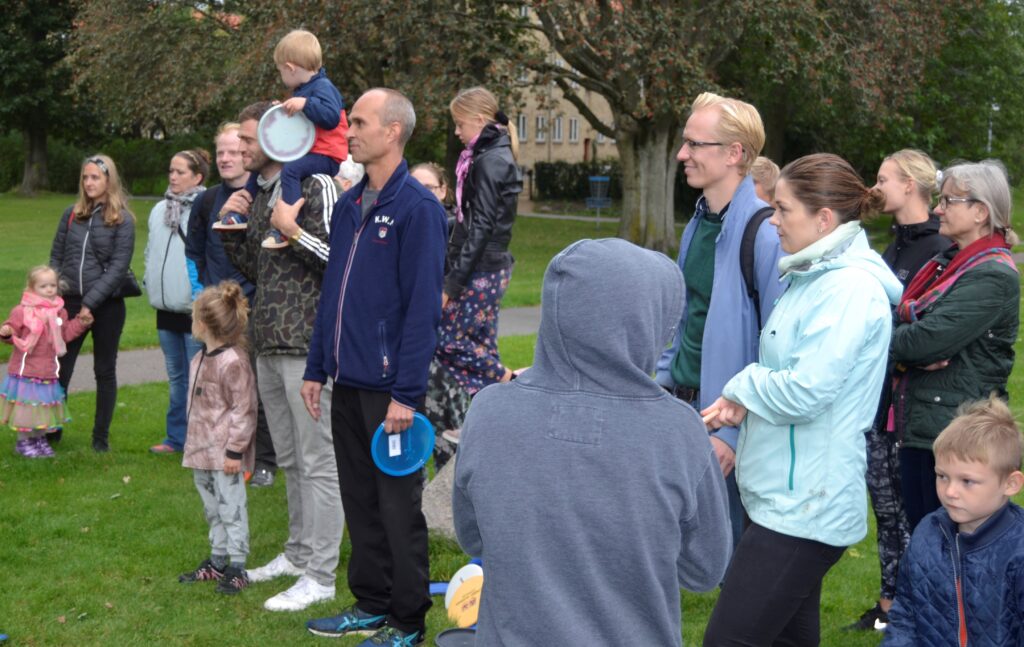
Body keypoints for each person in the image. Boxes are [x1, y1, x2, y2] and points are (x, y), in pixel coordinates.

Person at [452, 238, 732, 646]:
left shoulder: (489, 410)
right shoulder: (678, 431)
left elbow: (473, 536)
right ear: (649, 323)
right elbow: (704, 568)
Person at [701, 153, 902, 646]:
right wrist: (749, 398)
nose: (772, 220)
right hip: (786, 498)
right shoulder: (814, 277)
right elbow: (794, 377)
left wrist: (742, 387)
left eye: (783, 209)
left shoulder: (847, 289)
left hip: (804, 508)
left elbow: (805, 390)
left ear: (824, 219)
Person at [302, 88, 447, 646]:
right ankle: (371, 603)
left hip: (391, 393)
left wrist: (406, 395)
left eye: (360, 122)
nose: (350, 131)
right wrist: (316, 368)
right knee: (360, 502)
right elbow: (332, 296)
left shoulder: (419, 210)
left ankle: (407, 622)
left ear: (393, 132)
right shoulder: (349, 206)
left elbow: (422, 311)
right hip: (346, 383)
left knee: (396, 509)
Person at [219, 100, 344, 612]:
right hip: (268, 342)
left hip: (308, 347)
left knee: (318, 462)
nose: (241, 148)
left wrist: (292, 230)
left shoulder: (317, 185)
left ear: (281, 138)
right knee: (290, 459)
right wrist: (232, 228)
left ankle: (321, 574)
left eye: (249, 139)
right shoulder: (263, 193)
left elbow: (340, 262)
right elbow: (261, 269)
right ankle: (297, 555)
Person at [655, 92, 786, 553]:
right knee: (673, 551)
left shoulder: (766, 235)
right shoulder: (699, 222)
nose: (682, 154)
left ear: (734, 154)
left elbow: (778, 350)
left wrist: (731, 432)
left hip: (730, 429)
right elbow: (685, 318)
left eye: (695, 144)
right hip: (681, 409)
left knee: (736, 563)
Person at [847, 149, 951, 632]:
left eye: (883, 178)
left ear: (910, 185)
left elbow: (927, 334)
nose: (876, 186)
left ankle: (915, 611)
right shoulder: (892, 247)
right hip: (877, 400)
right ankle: (888, 608)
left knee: (915, 515)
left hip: (911, 408)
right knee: (887, 512)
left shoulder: (939, 249)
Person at [890, 160, 1020, 532]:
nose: (937, 210)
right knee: (928, 541)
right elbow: (905, 327)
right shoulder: (947, 264)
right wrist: (905, 340)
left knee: (950, 546)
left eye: (949, 201)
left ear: (981, 212)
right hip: (927, 427)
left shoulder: (992, 275)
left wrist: (902, 344)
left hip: (958, 439)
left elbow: (920, 343)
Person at [882, 396, 1024, 646]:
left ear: (1011, 484)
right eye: (942, 476)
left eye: (967, 481)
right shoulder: (927, 533)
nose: (950, 491)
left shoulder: (1018, 550)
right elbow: (906, 613)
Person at [186, 122, 277, 487]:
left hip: (255, 308)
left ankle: (265, 461)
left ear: (248, 154)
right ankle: (216, 452)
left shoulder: (265, 198)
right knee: (215, 385)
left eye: (234, 152)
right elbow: (194, 251)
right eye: (220, 152)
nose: (225, 158)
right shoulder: (207, 200)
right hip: (217, 312)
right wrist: (204, 294)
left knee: (257, 386)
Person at [432, 87, 522, 447]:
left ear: (480, 120)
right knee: (481, 344)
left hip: (482, 268)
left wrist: (452, 284)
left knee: (448, 340)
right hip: (488, 265)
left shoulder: (490, 160)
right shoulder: (488, 155)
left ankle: (513, 382)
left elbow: (481, 227)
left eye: (459, 124)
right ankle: (492, 422)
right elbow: (470, 221)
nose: (456, 131)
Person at [216, 29, 348, 250]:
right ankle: (243, 206)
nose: (282, 77)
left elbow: (331, 118)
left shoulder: (323, 87)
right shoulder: (303, 89)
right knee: (263, 164)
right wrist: (282, 109)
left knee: (290, 171)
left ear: (290, 68)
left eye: (280, 71)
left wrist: (305, 104)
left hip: (326, 155)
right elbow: (301, 123)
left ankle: (289, 220)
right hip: (307, 150)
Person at [49, 154, 136, 453]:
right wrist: (52, 293)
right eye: (85, 177)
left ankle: (100, 439)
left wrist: (90, 303)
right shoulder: (71, 214)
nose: (88, 183)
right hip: (69, 304)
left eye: (95, 177)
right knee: (60, 368)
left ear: (109, 180)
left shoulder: (122, 219)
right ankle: (52, 431)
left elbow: (118, 268)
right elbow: (56, 255)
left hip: (107, 305)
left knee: (104, 370)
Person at [177, 281, 258, 595]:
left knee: (231, 508)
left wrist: (235, 451)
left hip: (225, 455)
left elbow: (244, 409)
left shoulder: (233, 362)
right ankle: (218, 560)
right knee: (212, 508)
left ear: (202, 323)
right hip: (201, 450)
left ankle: (237, 565)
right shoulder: (199, 359)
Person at [145, 149, 210, 454]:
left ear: (197, 177)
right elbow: (151, 250)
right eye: (171, 170)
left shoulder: (205, 208)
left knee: (198, 379)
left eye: (180, 172)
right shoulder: (159, 210)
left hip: (192, 308)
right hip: (165, 307)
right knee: (176, 378)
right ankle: (176, 438)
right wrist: (149, 281)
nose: (173, 177)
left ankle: (199, 440)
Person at [0, 266, 92, 457]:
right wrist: (7, 332)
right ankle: (24, 442)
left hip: (47, 371)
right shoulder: (21, 311)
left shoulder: (59, 312)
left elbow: (64, 335)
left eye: (52, 285)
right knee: (27, 409)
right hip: (26, 371)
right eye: (43, 286)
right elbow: (12, 330)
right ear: (31, 288)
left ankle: (39, 440)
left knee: (42, 408)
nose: (49, 289)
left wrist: (80, 323)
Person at [411, 161, 465, 470]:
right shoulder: (400, 228)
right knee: (417, 421)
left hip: (447, 342)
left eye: (428, 188)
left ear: (443, 191)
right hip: (414, 345)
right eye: (413, 187)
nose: (420, 194)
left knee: (450, 423)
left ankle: (453, 487)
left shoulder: (454, 230)